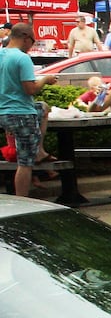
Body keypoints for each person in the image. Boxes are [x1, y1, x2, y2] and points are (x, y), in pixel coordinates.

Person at [0, 24, 58, 198]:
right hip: (21, 113)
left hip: (3, 111)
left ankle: (40, 150)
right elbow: (30, 89)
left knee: (42, 108)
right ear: (25, 37)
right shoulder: (22, 58)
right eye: (32, 41)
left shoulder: (1, 54)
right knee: (25, 163)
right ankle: (22, 200)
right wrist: (45, 80)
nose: (31, 45)